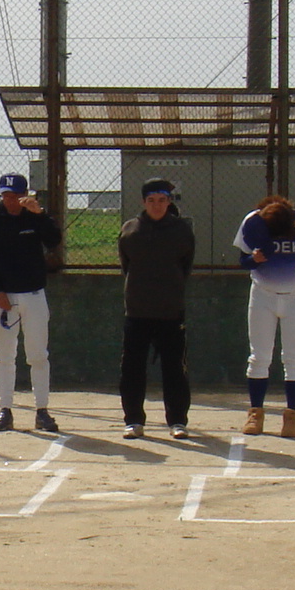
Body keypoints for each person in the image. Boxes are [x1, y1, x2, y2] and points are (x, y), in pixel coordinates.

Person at [234, 193, 295, 437]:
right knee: (259, 356)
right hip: (262, 295)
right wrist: (253, 259)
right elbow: (242, 260)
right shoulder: (253, 222)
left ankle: (292, 416)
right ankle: (255, 413)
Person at [0, 172, 61, 433]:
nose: (11, 200)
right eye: (6, 195)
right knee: (5, 356)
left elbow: (54, 240)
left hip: (34, 295)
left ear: (25, 195)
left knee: (38, 355)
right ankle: (5, 409)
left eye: (15, 195)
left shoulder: (34, 216)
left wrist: (40, 215)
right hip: (4, 298)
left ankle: (42, 410)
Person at [115, 178, 194, 440]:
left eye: (161, 200)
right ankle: (133, 420)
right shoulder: (130, 230)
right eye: (151, 200)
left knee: (175, 369)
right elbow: (126, 265)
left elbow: (185, 266)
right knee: (132, 368)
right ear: (143, 202)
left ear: (169, 201)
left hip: (171, 312)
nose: (156, 205)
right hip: (137, 312)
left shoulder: (182, 230)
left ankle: (177, 421)